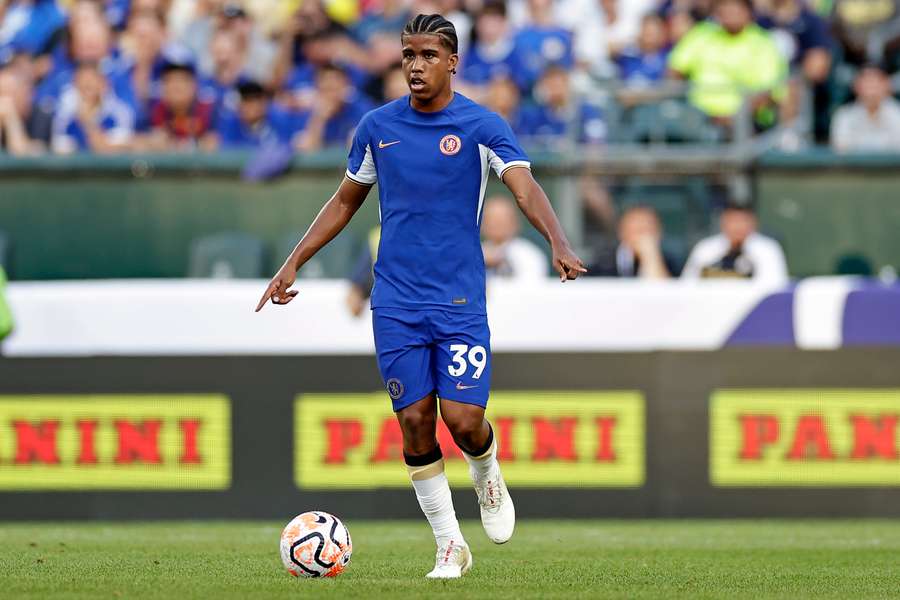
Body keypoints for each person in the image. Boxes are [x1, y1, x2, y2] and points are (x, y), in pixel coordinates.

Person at [256, 14, 586, 579]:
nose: (415, 64)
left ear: (453, 61)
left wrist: (557, 240)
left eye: (428, 55)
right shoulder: (376, 127)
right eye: (408, 54)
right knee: (413, 421)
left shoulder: (483, 126)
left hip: (459, 301)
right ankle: (450, 545)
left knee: (462, 421)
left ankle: (486, 470)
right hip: (396, 302)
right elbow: (344, 201)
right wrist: (293, 262)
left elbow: (524, 187)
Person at [668, 0, 787, 128]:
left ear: (748, 11)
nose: (728, 11)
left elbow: (767, 92)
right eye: (723, 6)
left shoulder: (763, 44)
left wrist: (734, 118)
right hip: (697, 119)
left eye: (734, 7)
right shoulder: (701, 34)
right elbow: (675, 69)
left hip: (746, 123)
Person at [681, 203, 788, 284]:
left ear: (753, 223)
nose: (738, 227)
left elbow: (774, 286)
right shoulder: (705, 248)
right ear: (723, 222)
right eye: (733, 221)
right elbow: (688, 283)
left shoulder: (767, 248)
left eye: (743, 221)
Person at [50, 61, 135, 154]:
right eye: (82, 81)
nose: (87, 85)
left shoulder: (118, 113)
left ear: (103, 84)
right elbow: (61, 150)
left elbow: (111, 150)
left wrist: (87, 122)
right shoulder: (65, 114)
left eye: (92, 81)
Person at [589, 205, 676, 278]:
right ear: (622, 232)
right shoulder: (603, 264)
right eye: (638, 230)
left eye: (648, 231)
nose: (643, 238)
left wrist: (651, 258)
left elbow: (663, 293)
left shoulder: (669, 263)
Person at [830, 64, 900, 153]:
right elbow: (841, 151)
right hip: (854, 166)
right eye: (867, 82)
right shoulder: (844, 116)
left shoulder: (897, 113)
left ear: (887, 85)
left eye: (876, 82)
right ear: (856, 86)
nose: (871, 89)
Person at [481, 195, 548, 280]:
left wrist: (502, 261)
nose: (496, 225)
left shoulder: (529, 254)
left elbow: (531, 286)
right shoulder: (475, 253)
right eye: (491, 220)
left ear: (515, 223)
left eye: (501, 220)